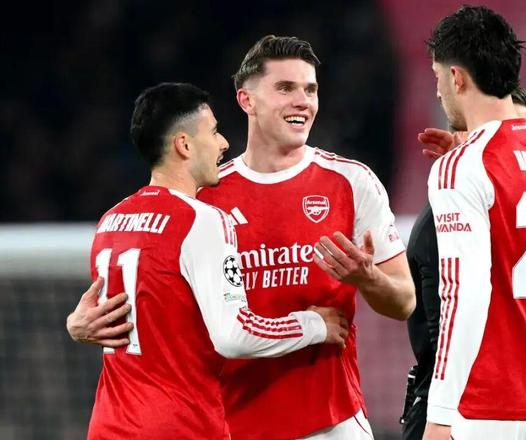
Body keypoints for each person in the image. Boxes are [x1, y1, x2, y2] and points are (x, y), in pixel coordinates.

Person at [68, 36, 415, 439]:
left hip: (332, 420)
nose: (302, 101)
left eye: (310, 89)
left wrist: (368, 278)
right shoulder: (201, 197)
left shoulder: (352, 183)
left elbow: (404, 302)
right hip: (234, 422)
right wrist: (79, 323)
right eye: (285, 88)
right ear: (246, 100)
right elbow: (151, 295)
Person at [422, 6, 526, 440]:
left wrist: (441, 412)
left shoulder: (461, 167)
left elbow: (463, 294)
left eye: (438, 77)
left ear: (457, 77)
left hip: (486, 404)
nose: (437, 91)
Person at [401, 86, 526, 440]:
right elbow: (448, 333)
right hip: (457, 410)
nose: (515, 150)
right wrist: (443, 417)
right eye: (500, 138)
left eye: (523, 136)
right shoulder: (441, 227)